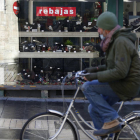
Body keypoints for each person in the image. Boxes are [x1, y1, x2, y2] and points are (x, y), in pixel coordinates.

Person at [81, 11, 140, 137]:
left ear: (106, 29)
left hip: (127, 85)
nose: (98, 32)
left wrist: (94, 77)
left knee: (87, 87)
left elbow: (120, 72)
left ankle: (111, 119)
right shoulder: (114, 41)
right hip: (121, 83)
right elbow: (111, 66)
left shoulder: (121, 42)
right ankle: (107, 137)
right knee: (93, 108)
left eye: (100, 28)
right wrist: (94, 69)